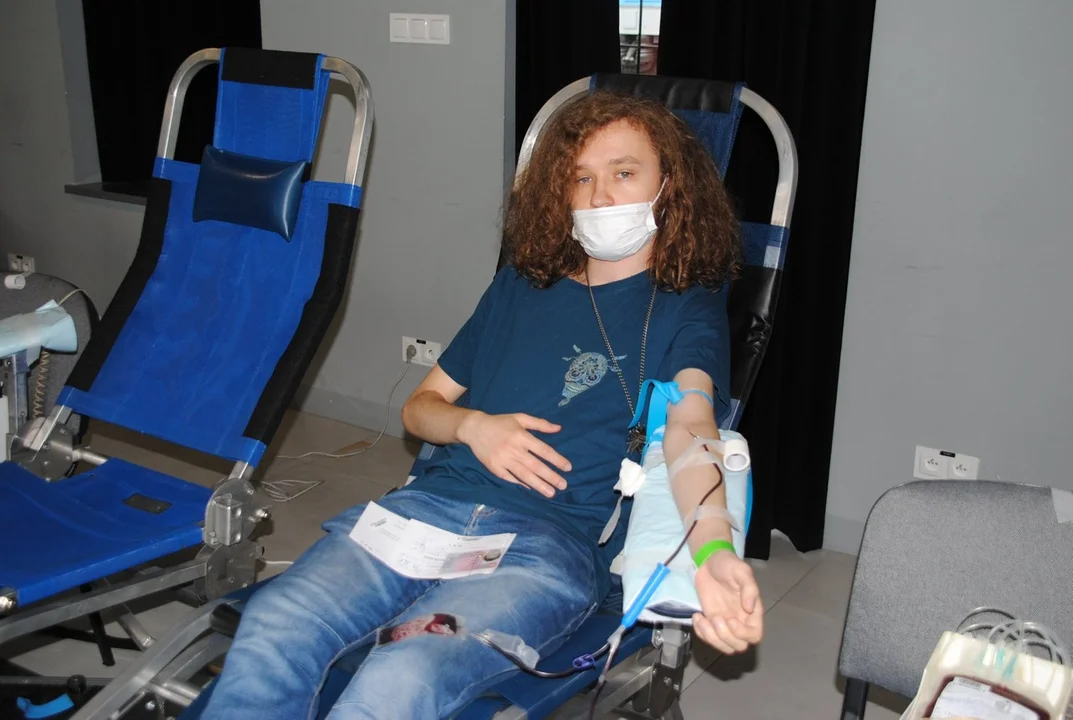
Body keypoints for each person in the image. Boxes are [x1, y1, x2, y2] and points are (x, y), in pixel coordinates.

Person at [196, 90, 764, 720]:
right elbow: (420, 408)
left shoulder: (689, 308)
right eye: (581, 178)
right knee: (277, 620)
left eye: (624, 173)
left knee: (407, 669)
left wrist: (713, 551)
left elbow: (691, 428)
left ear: (669, 185)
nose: (601, 197)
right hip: (420, 514)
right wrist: (473, 427)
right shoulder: (522, 284)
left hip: (546, 546)